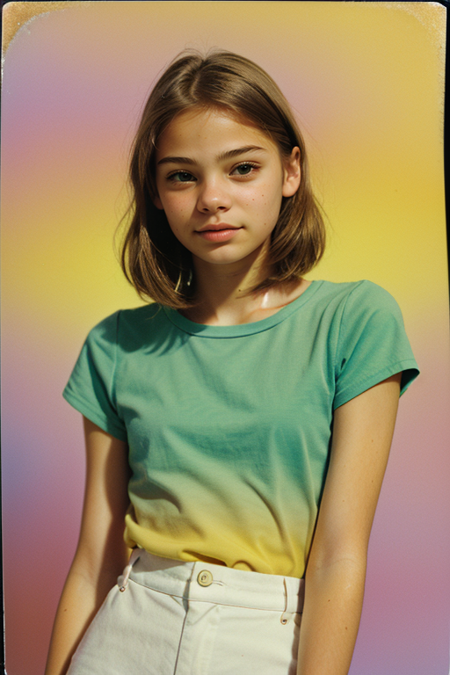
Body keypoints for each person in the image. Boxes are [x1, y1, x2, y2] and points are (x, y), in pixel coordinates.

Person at [44, 50, 419, 675]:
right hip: (127, 631)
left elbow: (339, 556)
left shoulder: (355, 320)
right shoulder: (115, 344)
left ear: (290, 171)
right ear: (156, 194)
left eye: (242, 168)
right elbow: (94, 560)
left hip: (268, 639)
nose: (212, 198)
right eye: (182, 176)